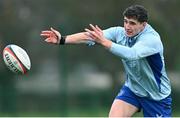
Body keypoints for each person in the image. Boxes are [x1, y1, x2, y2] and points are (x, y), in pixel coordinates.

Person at [40, 5, 172, 117]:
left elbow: (132, 54)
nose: (127, 26)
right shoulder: (120, 32)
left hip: (156, 97)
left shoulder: (151, 39)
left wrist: (105, 42)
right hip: (133, 90)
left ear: (143, 25)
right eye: (125, 21)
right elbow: (90, 36)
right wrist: (62, 39)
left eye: (132, 23)